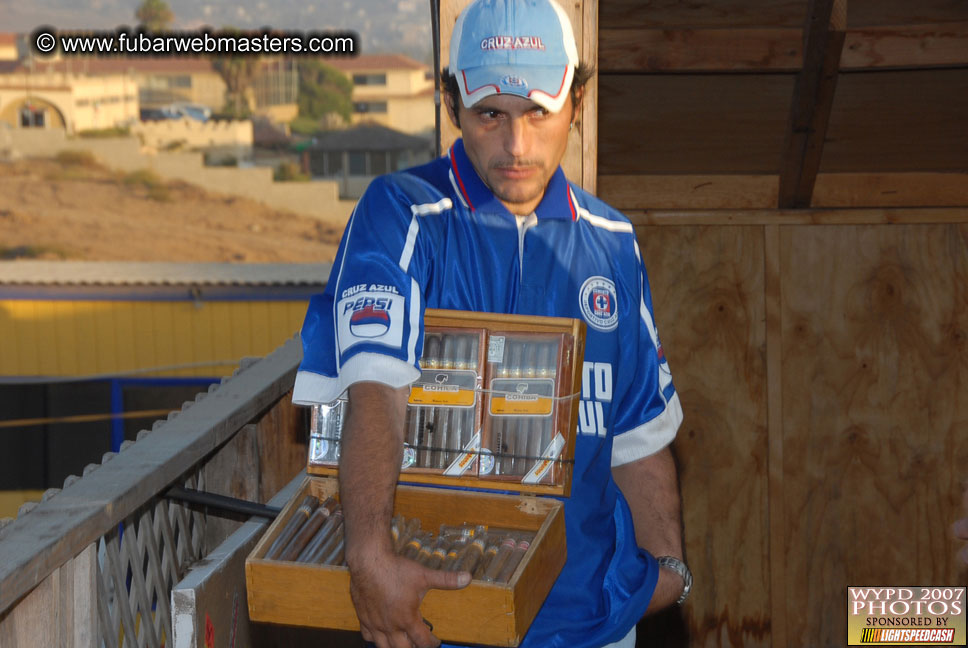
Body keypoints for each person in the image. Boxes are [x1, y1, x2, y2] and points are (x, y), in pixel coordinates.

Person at [292, 0, 690, 646]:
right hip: (443, 622)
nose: (516, 146)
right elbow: (376, 394)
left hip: (595, 625)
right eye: (490, 116)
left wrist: (669, 576)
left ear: (578, 102)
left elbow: (640, 435)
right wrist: (368, 552)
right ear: (452, 105)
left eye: (539, 112)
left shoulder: (613, 240)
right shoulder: (402, 214)